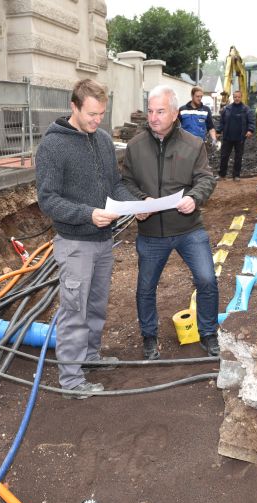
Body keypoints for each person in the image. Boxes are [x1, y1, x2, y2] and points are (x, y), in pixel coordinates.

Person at [35, 79, 137, 399]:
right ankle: (71, 380)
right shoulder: (52, 147)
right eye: (92, 114)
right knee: (74, 311)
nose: (97, 121)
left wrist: (135, 204)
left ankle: (90, 357)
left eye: (101, 115)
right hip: (76, 243)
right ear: (74, 107)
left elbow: (114, 185)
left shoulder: (103, 140)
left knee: (95, 305)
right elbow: (48, 200)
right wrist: (87, 214)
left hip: (104, 241)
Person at [122, 85, 220, 360]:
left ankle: (209, 332)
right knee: (145, 286)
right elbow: (126, 182)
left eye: (160, 111)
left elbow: (205, 178)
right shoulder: (135, 146)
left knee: (206, 279)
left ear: (175, 113)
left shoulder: (193, 144)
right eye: (151, 111)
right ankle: (149, 336)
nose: (153, 117)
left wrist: (194, 197)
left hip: (188, 229)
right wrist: (140, 201)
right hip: (151, 233)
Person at [216, 90, 255, 181]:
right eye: (235, 97)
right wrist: (218, 131)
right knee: (224, 156)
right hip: (227, 137)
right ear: (233, 98)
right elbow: (222, 122)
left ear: (241, 97)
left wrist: (250, 130)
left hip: (240, 138)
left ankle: (236, 175)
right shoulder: (227, 109)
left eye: (238, 97)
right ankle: (222, 175)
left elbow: (251, 121)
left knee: (238, 157)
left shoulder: (246, 109)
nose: (237, 98)